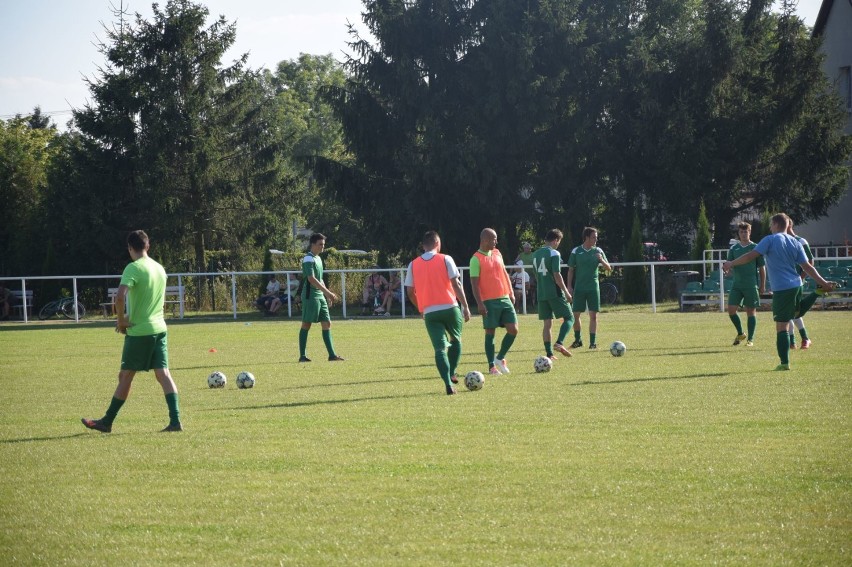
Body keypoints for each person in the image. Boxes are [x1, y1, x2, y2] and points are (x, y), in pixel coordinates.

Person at [82, 230, 183, 433]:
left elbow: (120, 297)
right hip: (160, 328)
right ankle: (175, 421)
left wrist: (121, 321)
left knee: (126, 375)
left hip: (140, 332)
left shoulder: (133, 268)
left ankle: (107, 421)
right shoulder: (159, 268)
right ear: (148, 245)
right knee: (163, 374)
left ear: (130, 248)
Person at [723, 213, 836, 371]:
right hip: (797, 285)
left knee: (782, 326)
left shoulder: (769, 240)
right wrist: (823, 282)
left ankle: (784, 363)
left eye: (770, 224)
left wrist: (731, 263)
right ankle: (817, 292)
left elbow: (750, 256)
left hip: (782, 289)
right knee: (796, 314)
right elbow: (808, 266)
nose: (769, 227)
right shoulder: (795, 242)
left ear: (776, 224)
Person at [405, 230, 471, 395]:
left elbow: (410, 292)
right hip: (450, 307)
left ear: (423, 245)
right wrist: (466, 306)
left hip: (430, 312)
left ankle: (448, 384)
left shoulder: (413, 264)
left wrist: (421, 307)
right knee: (456, 341)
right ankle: (452, 371)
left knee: (440, 349)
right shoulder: (446, 258)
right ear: (437, 243)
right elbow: (455, 284)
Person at [470, 228, 519, 375]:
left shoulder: (497, 253)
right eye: (494, 239)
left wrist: (510, 292)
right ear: (485, 240)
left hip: (504, 298)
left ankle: (500, 358)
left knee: (513, 329)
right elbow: (474, 284)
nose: (496, 242)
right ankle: (492, 366)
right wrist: (480, 303)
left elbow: (504, 273)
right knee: (490, 332)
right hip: (489, 301)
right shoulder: (475, 259)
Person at [298, 233, 344, 362]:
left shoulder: (318, 258)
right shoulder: (308, 259)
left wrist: (326, 293)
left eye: (323, 245)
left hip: (319, 295)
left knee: (327, 323)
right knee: (306, 324)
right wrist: (328, 293)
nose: (322, 247)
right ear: (313, 244)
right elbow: (311, 279)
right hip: (310, 296)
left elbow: (320, 278)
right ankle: (302, 356)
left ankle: (332, 355)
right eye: (320, 244)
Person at [532, 229, 574, 360]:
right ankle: (559, 343)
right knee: (569, 318)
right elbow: (557, 274)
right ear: (556, 240)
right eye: (559, 242)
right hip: (554, 292)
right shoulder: (554, 253)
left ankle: (549, 354)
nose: (558, 245)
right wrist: (567, 292)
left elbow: (536, 275)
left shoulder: (535, 254)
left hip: (542, 292)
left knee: (547, 324)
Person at [566, 227, 612, 350]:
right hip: (579, 288)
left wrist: (601, 260)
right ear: (586, 237)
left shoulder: (598, 251)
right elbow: (571, 270)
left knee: (593, 316)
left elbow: (609, 268)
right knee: (575, 315)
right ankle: (578, 340)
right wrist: (569, 286)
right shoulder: (576, 251)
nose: (596, 239)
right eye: (593, 237)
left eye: (596, 237)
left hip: (593, 288)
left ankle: (592, 343)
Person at [724, 222, 766, 347]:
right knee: (731, 310)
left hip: (751, 285)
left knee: (750, 311)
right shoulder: (734, 248)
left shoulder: (755, 247)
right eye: (741, 232)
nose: (743, 234)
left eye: (746, 231)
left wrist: (762, 285)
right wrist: (727, 269)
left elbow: (762, 268)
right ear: (738, 233)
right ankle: (741, 333)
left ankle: (750, 339)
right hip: (737, 285)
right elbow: (729, 264)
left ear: (750, 232)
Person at [786, 220, 814, 349]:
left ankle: (794, 341)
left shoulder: (801, 241)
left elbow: (810, 261)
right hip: (784, 282)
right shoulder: (782, 242)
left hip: (795, 283)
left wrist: (801, 277)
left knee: (792, 312)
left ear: (790, 225)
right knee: (792, 312)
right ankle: (803, 339)